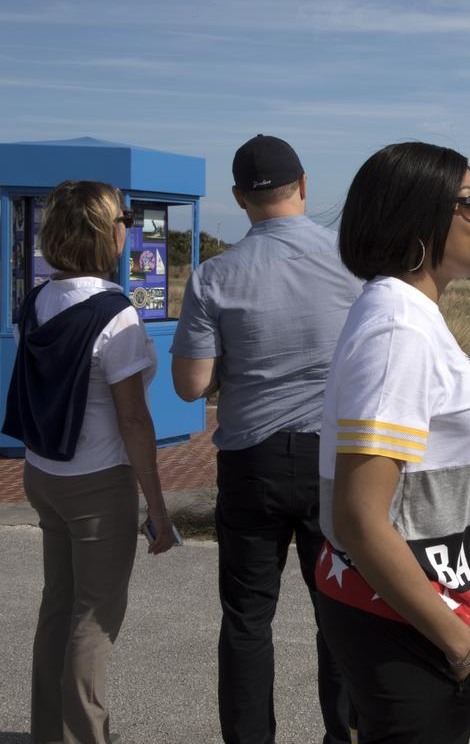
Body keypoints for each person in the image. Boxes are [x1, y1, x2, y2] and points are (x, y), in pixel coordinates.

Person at [314, 141, 470, 743]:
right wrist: (459, 648)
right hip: (405, 620)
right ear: (418, 215)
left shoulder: (407, 317)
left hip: (411, 613)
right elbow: (360, 517)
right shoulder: (399, 329)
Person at [171, 135, 361, 744]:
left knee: (248, 620)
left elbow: (190, 385)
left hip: (252, 463)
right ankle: (345, 734)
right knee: (341, 613)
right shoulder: (355, 262)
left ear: (239, 198)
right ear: (303, 185)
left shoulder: (214, 275)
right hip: (336, 462)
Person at [2, 180, 177, 744]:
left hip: (44, 474)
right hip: (98, 486)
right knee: (95, 620)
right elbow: (134, 421)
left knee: (59, 604)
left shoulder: (37, 300)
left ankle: (49, 731)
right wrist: (157, 506)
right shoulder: (115, 314)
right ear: (110, 232)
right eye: (122, 217)